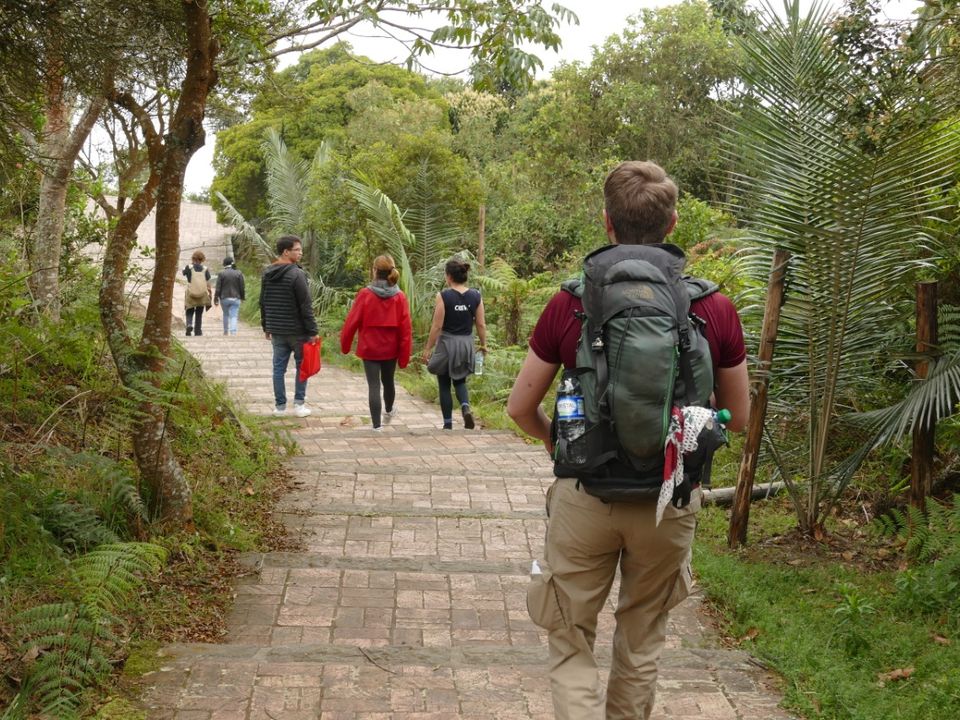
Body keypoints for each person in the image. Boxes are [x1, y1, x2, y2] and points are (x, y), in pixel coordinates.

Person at [506, 161, 750, 720]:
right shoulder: (713, 307)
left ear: (607, 223)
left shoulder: (570, 303)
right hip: (669, 500)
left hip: (586, 495)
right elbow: (736, 419)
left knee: (570, 640)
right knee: (640, 645)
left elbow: (520, 407)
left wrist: (559, 446)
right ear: (673, 222)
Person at [340, 255, 413, 431]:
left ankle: (376, 426)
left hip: (369, 348)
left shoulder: (365, 294)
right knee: (388, 382)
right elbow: (406, 330)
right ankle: (388, 412)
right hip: (391, 349)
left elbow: (352, 322)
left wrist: (345, 345)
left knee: (373, 385)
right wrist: (404, 357)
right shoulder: (400, 297)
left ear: (374, 271)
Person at [422, 258, 487, 430]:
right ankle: (465, 406)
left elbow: (437, 326)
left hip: (446, 343)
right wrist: (483, 344)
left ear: (449, 277)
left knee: (444, 383)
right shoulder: (476, 296)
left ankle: (448, 424)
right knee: (460, 381)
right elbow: (481, 324)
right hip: (466, 343)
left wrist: (428, 348)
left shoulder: (443, 296)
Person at [260, 235, 319, 418]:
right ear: (286, 252)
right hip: (297, 331)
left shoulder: (267, 273)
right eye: (297, 250)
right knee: (302, 367)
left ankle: (280, 407)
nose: (300, 253)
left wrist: (266, 326)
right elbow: (305, 305)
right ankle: (299, 405)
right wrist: (313, 331)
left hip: (277, 329)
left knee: (278, 368)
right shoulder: (296, 274)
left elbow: (263, 302)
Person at [182, 250, 212, 336]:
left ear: (193, 258)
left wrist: (189, 265)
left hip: (191, 292)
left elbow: (183, 273)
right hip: (202, 293)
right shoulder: (205, 269)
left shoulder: (188, 267)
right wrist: (210, 293)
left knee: (189, 309)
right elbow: (207, 280)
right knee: (199, 312)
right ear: (202, 259)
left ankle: (189, 324)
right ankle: (198, 331)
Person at [214, 256, 245, 336]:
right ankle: (233, 332)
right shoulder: (239, 273)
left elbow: (218, 288)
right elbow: (242, 287)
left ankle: (225, 332)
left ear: (224, 264)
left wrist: (216, 298)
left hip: (224, 298)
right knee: (234, 316)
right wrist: (242, 297)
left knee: (225, 314)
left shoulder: (221, 273)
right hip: (236, 298)